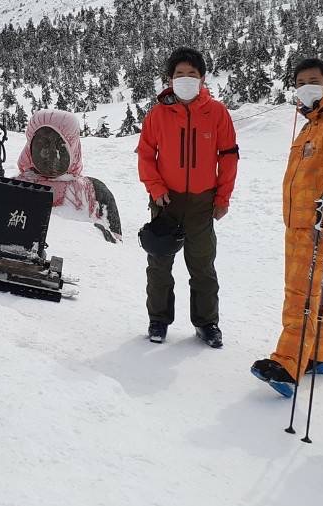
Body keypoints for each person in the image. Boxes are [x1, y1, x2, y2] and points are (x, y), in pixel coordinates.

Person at [250, 58, 323, 397]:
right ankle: (319, 355)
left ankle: (287, 365)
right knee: (309, 290)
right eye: (299, 82)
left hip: (320, 225)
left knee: (300, 293)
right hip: (298, 222)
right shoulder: (312, 123)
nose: (305, 87)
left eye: (312, 80)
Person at [136, 47, 238, 348]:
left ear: (202, 78)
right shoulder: (158, 114)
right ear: (170, 79)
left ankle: (207, 323)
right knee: (159, 263)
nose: (185, 78)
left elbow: (228, 156)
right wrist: (156, 189)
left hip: (202, 203)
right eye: (179, 73)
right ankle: (158, 319)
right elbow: (146, 155)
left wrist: (223, 197)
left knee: (203, 265)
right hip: (166, 202)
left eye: (191, 73)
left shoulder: (217, 112)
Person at [15, 108, 122, 243]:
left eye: (61, 146)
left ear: (74, 149)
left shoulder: (95, 192)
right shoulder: (13, 188)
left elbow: (117, 246)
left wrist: (100, 235)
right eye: (44, 144)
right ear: (30, 146)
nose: (53, 154)